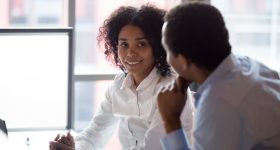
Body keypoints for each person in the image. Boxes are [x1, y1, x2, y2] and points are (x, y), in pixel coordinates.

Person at [49, 4, 194, 150]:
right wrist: (74, 147)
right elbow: (94, 134)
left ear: (156, 47)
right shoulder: (119, 84)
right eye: (124, 44)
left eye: (141, 44)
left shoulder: (171, 89)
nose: (130, 53)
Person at [157, 2, 280, 150]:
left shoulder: (218, 103)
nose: (166, 58)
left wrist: (171, 120)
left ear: (183, 60)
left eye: (167, 50)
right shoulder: (247, 65)